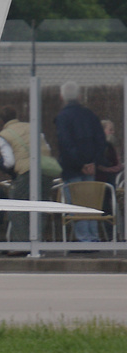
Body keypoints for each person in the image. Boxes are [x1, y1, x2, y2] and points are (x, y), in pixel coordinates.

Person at [55, 82, 107, 242]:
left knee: (76, 204)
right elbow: (101, 140)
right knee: (90, 202)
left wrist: (80, 164)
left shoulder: (62, 117)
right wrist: (93, 162)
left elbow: (66, 144)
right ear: (79, 96)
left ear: (62, 97)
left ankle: (85, 239)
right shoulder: (90, 115)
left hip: (72, 169)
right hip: (91, 168)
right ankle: (93, 237)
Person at [0, 106, 53, 242]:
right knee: (41, 207)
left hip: (27, 173)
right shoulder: (32, 127)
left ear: (2, 120)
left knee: (18, 207)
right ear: (16, 114)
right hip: (46, 171)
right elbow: (48, 148)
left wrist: (4, 168)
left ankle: (21, 244)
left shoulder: (4, 135)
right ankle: (37, 241)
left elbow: (9, 162)